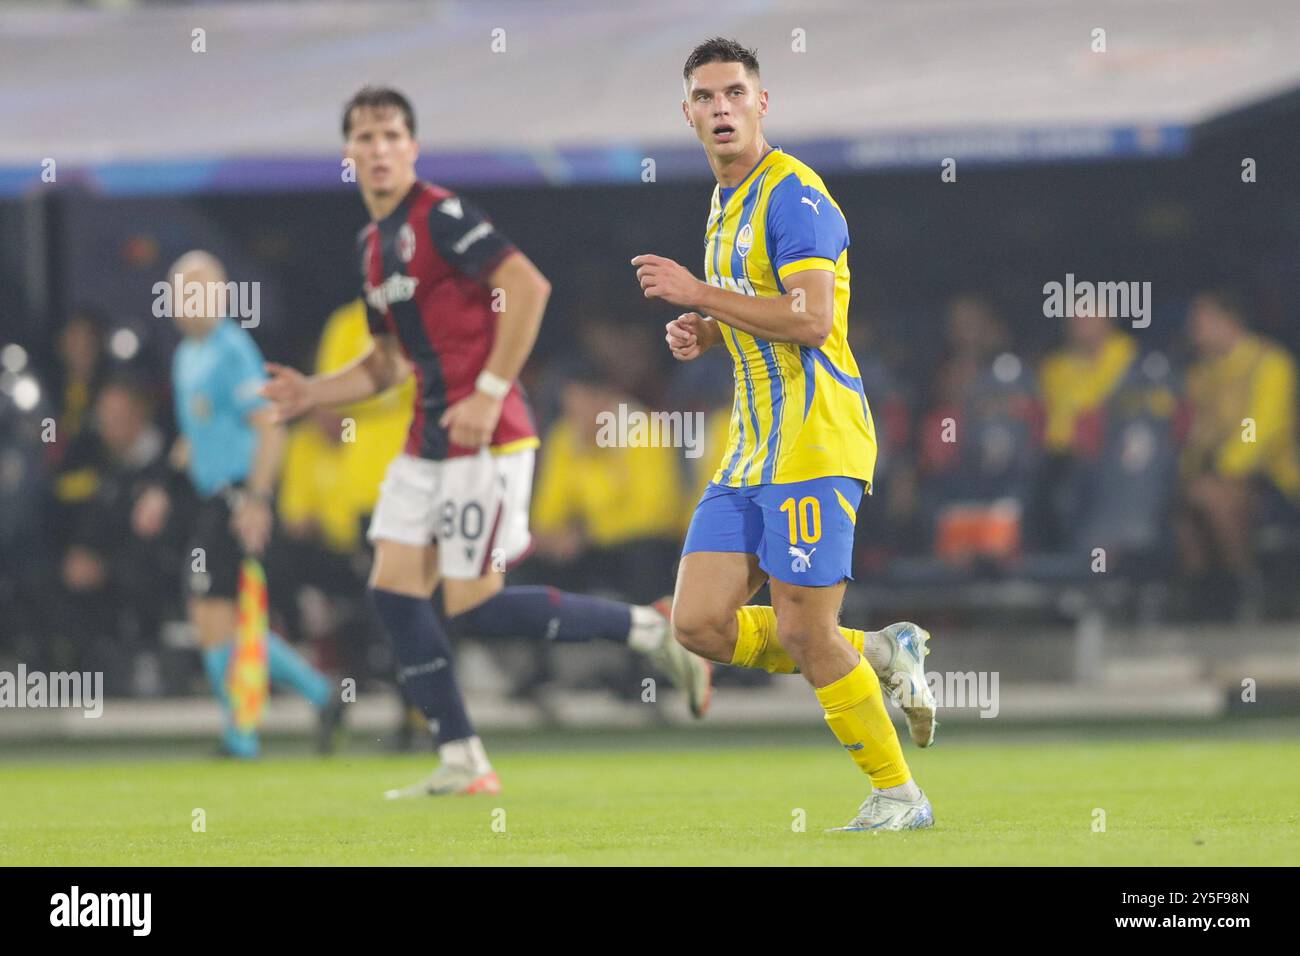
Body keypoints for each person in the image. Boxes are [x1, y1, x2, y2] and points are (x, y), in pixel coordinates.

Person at [261, 87, 712, 799]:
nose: (378, 149)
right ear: (349, 155)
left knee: (474, 603)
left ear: (412, 147)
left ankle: (649, 629)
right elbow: (385, 364)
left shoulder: (440, 216)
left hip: (489, 438)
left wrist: (492, 390)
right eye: (365, 137)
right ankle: (462, 758)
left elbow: (527, 288)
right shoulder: (372, 246)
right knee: (394, 591)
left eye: (390, 135)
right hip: (428, 440)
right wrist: (312, 393)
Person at [632, 38, 936, 832]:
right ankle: (880, 649)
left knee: (804, 631)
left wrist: (699, 292)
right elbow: (755, 306)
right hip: (750, 451)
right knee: (697, 623)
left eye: (736, 92)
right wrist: (706, 326)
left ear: (762, 103)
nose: (722, 107)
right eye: (706, 96)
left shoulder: (794, 194)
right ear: (688, 113)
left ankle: (899, 794)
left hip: (814, 441)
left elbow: (812, 318)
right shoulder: (724, 201)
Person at [164, 250, 342, 758]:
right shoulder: (187, 355)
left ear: (220, 296)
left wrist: (257, 501)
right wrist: (162, 485)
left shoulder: (232, 350)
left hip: (235, 498)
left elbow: (269, 427)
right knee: (219, 620)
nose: (187, 303)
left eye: (198, 291)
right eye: (181, 292)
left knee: (216, 616)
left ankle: (242, 736)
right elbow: (198, 432)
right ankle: (320, 695)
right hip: (207, 499)